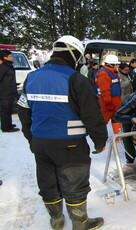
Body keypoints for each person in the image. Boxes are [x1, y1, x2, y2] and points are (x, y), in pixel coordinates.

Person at [17, 35, 108, 230]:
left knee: (47, 182)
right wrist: (100, 141)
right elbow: (92, 115)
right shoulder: (77, 80)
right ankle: (80, 223)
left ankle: (56, 220)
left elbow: (23, 110)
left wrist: (31, 138)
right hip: (70, 145)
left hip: (41, 143)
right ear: (74, 55)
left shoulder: (32, 77)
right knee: (74, 185)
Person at [96, 54, 122, 125]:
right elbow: (105, 90)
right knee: (102, 123)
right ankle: (100, 136)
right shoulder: (104, 74)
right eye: (117, 64)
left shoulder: (111, 73)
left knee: (117, 121)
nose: (118, 66)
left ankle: (118, 136)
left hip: (114, 103)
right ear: (112, 64)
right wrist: (109, 103)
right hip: (107, 104)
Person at [0, 50, 20, 132]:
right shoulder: (3, 67)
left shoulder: (9, 66)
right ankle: (6, 127)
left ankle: (8, 124)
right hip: (5, 93)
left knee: (9, 109)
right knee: (5, 110)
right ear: (5, 57)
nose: (12, 57)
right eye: (10, 56)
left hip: (10, 92)